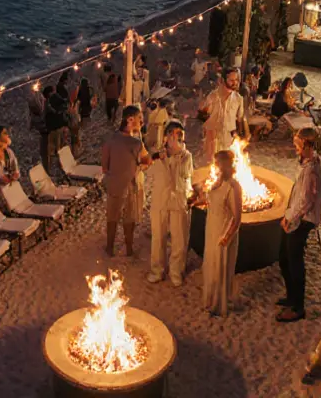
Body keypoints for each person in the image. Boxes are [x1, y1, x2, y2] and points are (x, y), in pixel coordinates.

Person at [277, 127, 321, 323]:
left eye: (297, 144)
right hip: (296, 217)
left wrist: (290, 218)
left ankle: (297, 307)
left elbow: (306, 201)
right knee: (284, 257)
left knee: (294, 262)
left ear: (306, 145)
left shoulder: (312, 169)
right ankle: (291, 297)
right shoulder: (309, 162)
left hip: (302, 221)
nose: (294, 147)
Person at [147, 122, 194, 286]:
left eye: (179, 134)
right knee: (158, 238)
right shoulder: (157, 155)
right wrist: (160, 157)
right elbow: (148, 170)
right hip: (160, 200)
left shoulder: (186, 156)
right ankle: (157, 270)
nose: (176, 137)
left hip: (178, 201)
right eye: (173, 134)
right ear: (166, 136)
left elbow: (182, 175)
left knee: (179, 239)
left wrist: (175, 155)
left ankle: (176, 272)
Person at [101, 105, 150, 257]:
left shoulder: (110, 140)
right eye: (138, 118)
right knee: (129, 218)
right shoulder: (136, 144)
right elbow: (147, 161)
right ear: (130, 120)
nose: (141, 121)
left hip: (114, 185)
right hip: (130, 186)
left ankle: (110, 248)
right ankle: (129, 248)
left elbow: (104, 166)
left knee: (112, 217)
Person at [200, 149, 242, 315]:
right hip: (212, 229)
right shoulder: (217, 182)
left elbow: (237, 217)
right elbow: (212, 201)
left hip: (223, 232)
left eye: (217, 163)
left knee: (221, 268)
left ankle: (219, 304)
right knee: (210, 266)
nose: (214, 166)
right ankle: (210, 300)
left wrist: (227, 237)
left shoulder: (233, 187)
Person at [201, 67, 246, 158]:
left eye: (236, 80)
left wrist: (240, 135)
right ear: (223, 80)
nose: (235, 83)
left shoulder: (239, 99)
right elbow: (204, 117)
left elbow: (240, 119)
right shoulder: (212, 97)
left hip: (228, 141)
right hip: (213, 140)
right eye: (231, 80)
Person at [44, 85, 70, 172]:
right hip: (58, 126)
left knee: (52, 150)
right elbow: (64, 106)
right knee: (60, 148)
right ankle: (62, 166)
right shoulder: (55, 98)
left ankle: (50, 168)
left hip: (52, 128)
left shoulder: (46, 102)